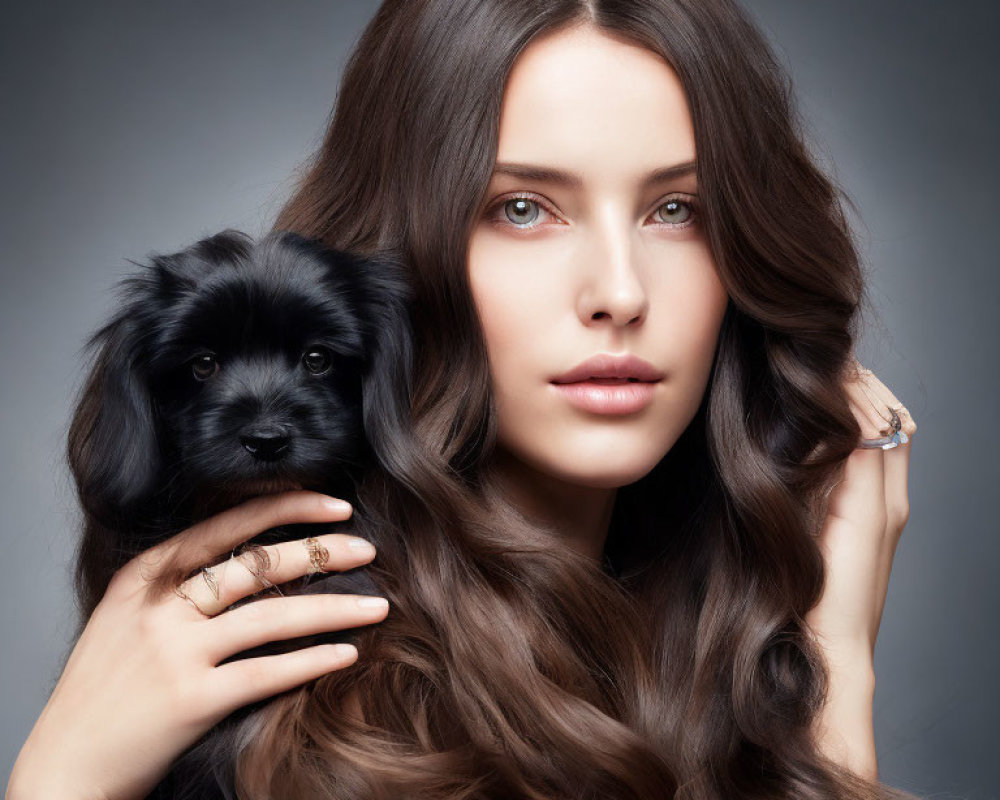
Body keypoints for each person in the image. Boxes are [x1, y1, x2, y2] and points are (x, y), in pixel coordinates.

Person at [8, 1, 921, 798]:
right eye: (524, 207)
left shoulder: (709, 642)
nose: (620, 290)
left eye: (678, 209)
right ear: (400, 246)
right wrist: (63, 780)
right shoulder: (303, 686)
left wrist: (828, 661)